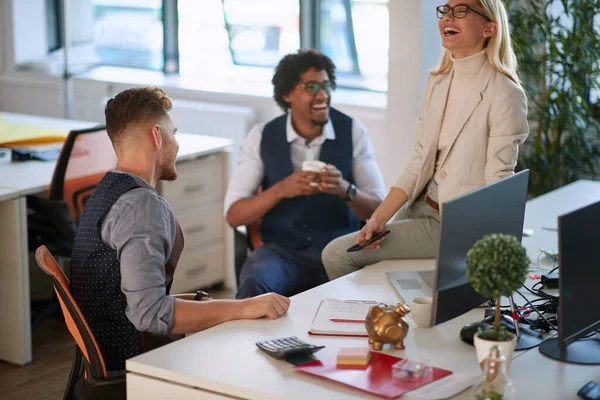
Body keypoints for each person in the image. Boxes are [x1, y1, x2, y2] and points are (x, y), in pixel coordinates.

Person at [70, 87, 290, 372]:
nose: (176, 144)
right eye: (174, 134)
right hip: (135, 367)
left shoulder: (105, 191)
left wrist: (205, 304)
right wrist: (243, 308)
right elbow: (149, 314)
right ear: (157, 136)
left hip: (105, 359)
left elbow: (125, 297)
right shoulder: (142, 206)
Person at [322, 0, 529, 280]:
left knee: (335, 254)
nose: (448, 17)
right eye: (446, 9)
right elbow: (419, 160)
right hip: (419, 206)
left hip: (450, 224)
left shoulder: (505, 93)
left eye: (462, 10)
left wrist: (487, 254)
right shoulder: (438, 80)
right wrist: (377, 218)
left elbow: (498, 180)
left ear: (489, 28)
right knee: (371, 271)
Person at [225, 49, 386, 299]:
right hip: (281, 252)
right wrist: (281, 189)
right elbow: (234, 215)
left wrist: (345, 189)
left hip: (340, 249)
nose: (323, 95)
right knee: (254, 286)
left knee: (359, 298)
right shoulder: (261, 136)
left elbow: (380, 210)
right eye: (311, 87)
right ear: (287, 94)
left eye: (326, 85)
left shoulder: (353, 132)